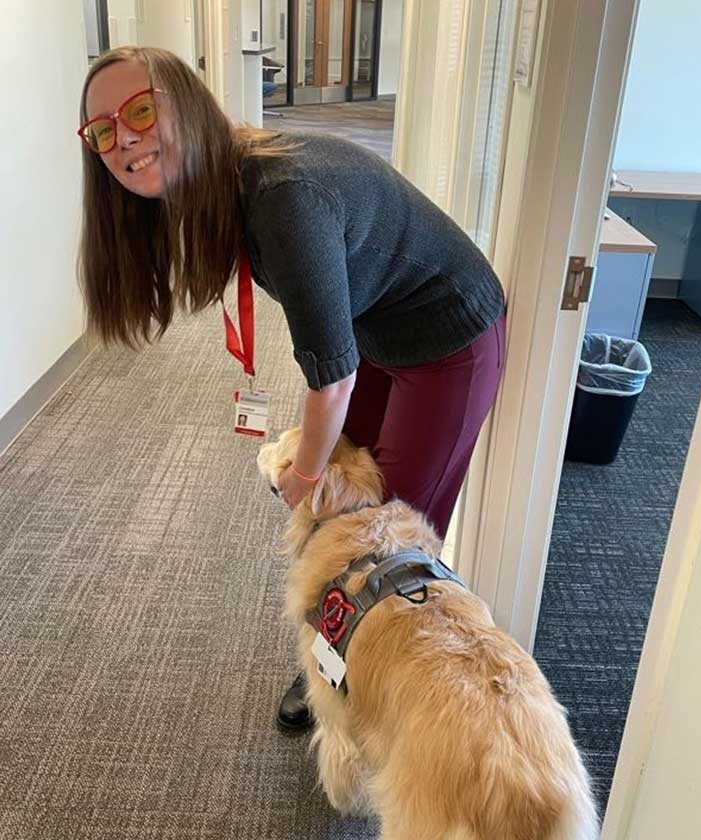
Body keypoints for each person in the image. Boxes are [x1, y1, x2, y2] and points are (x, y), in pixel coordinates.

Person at [77, 47, 506, 733]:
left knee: (387, 536)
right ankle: (332, 665)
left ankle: (379, 702)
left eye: (140, 110)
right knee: (342, 517)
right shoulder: (222, 181)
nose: (122, 137)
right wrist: (319, 476)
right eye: (101, 130)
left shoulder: (281, 196)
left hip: (448, 339)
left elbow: (329, 374)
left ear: (186, 104)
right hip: (375, 331)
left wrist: (302, 473)